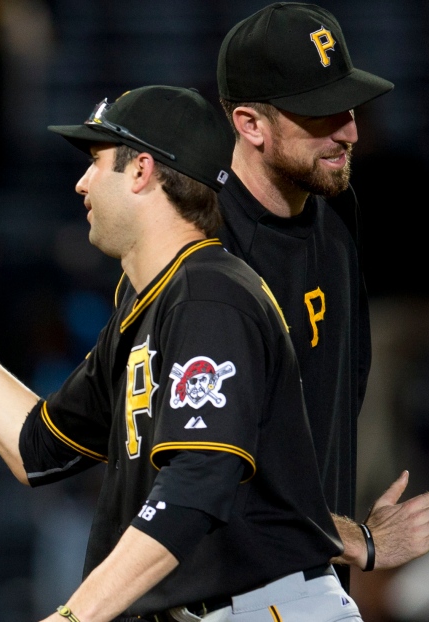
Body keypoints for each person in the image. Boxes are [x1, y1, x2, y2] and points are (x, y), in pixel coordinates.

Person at [0, 85, 357, 621]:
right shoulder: (150, 305)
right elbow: (34, 447)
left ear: (142, 170)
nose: (82, 183)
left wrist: (76, 616)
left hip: (263, 608)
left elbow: (197, 483)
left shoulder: (210, 296)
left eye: (96, 162)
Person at [215, 1, 429, 586]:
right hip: (226, 595)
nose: (351, 131)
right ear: (250, 124)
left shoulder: (335, 215)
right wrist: (353, 536)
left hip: (315, 582)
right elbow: (202, 482)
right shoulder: (203, 252)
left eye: (350, 107)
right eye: (320, 114)